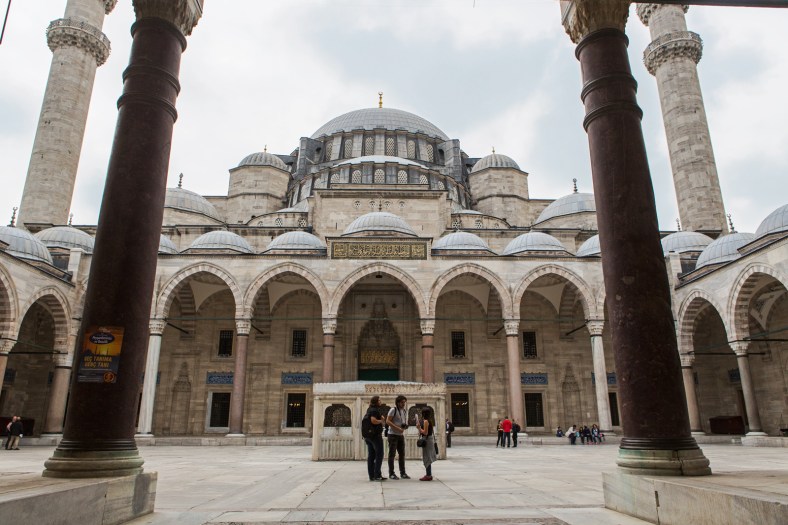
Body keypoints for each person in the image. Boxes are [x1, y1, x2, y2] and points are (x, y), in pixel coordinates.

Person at [385, 395, 410, 480]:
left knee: (402, 454)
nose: (403, 404)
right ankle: (391, 473)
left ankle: (402, 473)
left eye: (404, 402)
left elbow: (401, 422)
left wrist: (404, 426)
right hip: (392, 435)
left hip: (400, 435)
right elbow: (388, 421)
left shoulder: (404, 411)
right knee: (392, 454)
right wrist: (398, 428)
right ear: (398, 402)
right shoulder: (393, 410)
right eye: (402, 402)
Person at [363, 396, 386, 481]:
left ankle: (372, 475)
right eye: (379, 400)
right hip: (375, 436)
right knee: (379, 454)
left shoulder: (369, 409)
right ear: (376, 401)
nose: (380, 401)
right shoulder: (374, 410)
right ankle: (377, 475)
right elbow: (373, 420)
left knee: (371, 455)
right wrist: (381, 421)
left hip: (368, 436)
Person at [417, 407, 436, 481]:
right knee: (427, 457)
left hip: (427, 440)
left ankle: (428, 475)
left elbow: (425, 432)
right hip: (429, 439)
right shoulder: (429, 421)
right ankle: (428, 474)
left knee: (427, 457)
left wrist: (419, 428)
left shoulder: (425, 421)